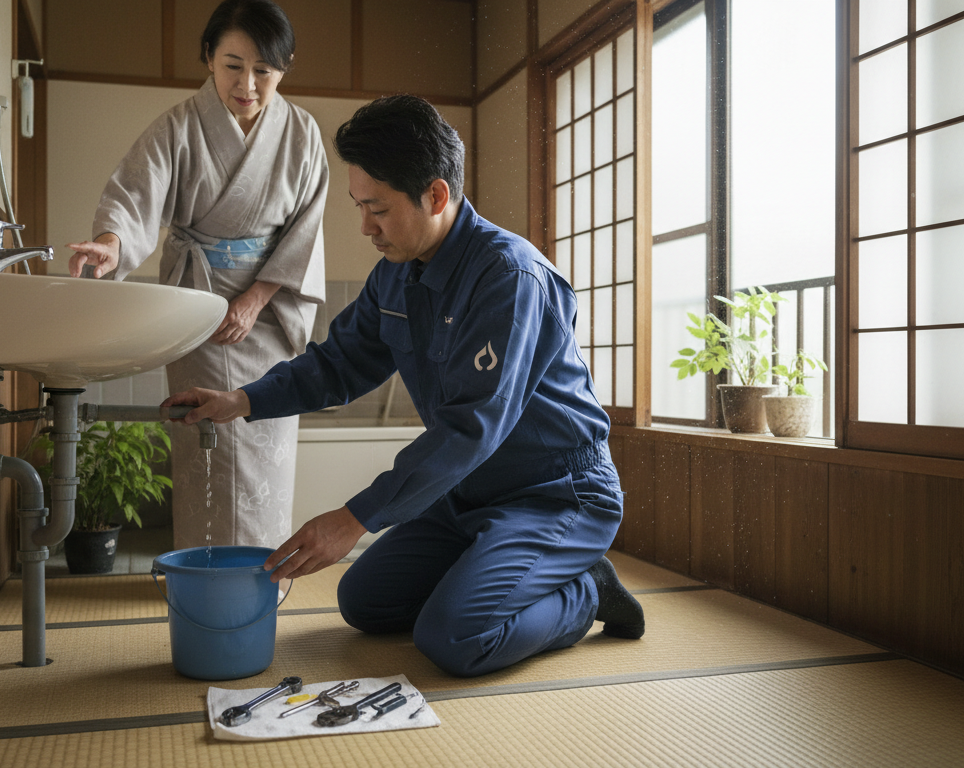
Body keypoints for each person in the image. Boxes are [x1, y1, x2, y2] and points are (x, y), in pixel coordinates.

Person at [163, 95, 645, 677]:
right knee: (364, 602)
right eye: (359, 207)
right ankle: (499, 574)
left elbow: (470, 428)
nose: (366, 227)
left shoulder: (510, 277)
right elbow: (337, 364)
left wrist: (354, 518)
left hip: (555, 494)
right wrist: (239, 400)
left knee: (455, 638)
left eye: (378, 209)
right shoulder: (394, 274)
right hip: (468, 493)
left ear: (436, 196)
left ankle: (586, 591)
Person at [68, 0, 327, 551]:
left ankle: (263, 575)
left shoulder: (302, 134)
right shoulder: (179, 128)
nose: (248, 85)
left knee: (266, 450)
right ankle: (204, 573)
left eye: (264, 70)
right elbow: (135, 196)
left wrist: (255, 299)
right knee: (206, 443)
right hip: (199, 308)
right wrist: (112, 245)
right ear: (209, 57)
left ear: (284, 68)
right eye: (233, 65)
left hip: (269, 316)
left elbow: (304, 232)